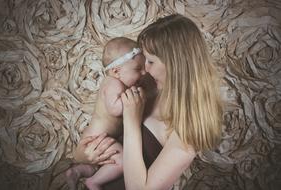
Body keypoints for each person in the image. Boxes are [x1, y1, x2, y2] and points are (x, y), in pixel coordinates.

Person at [120, 14, 223, 189]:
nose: (144, 69)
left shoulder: (189, 127)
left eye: (151, 61)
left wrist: (131, 121)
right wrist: (85, 155)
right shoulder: (149, 85)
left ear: (175, 64)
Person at [66, 37, 146, 190]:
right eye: (138, 69)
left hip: (100, 139)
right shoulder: (113, 83)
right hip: (98, 139)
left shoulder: (118, 81)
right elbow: (115, 109)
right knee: (122, 161)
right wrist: (133, 99)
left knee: (98, 166)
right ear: (116, 71)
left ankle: (76, 172)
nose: (144, 72)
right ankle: (94, 182)